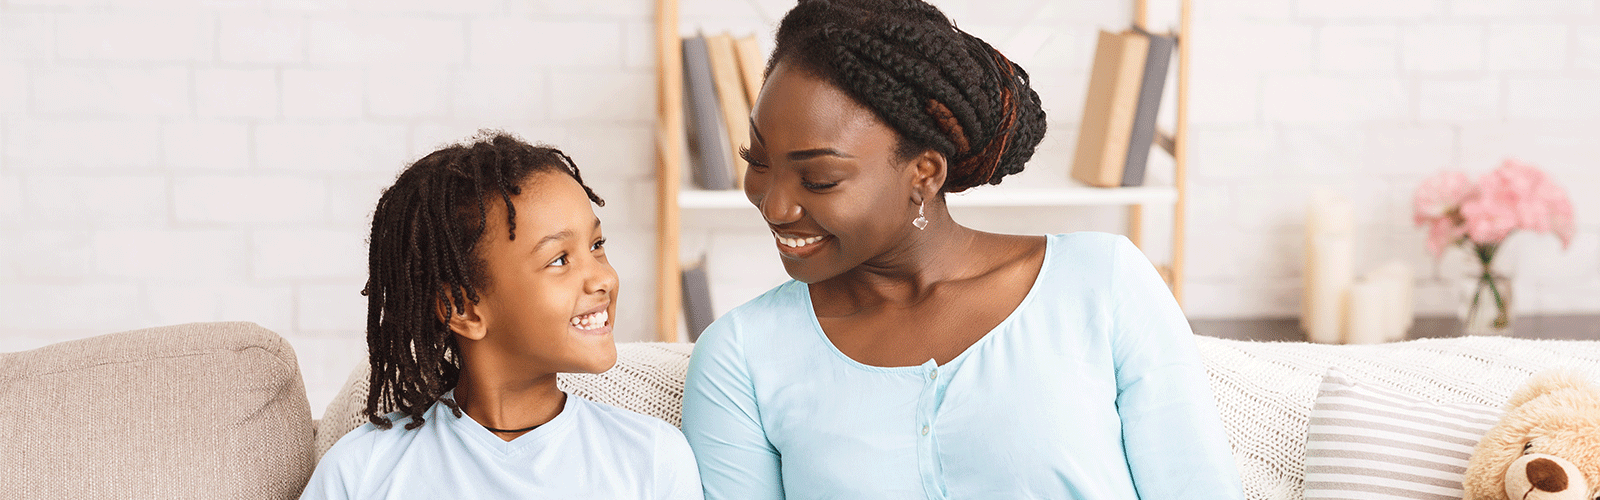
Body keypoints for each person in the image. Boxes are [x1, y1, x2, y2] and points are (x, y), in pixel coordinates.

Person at [679, 1, 1244, 499]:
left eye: (820, 179)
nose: (774, 205)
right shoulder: (740, 358)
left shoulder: (1103, 284)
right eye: (757, 161)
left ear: (924, 173)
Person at [302, 132, 702, 500]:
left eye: (597, 245)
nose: (604, 277)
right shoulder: (362, 472)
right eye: (560, 259)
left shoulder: (650, 458)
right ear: (463, 308)